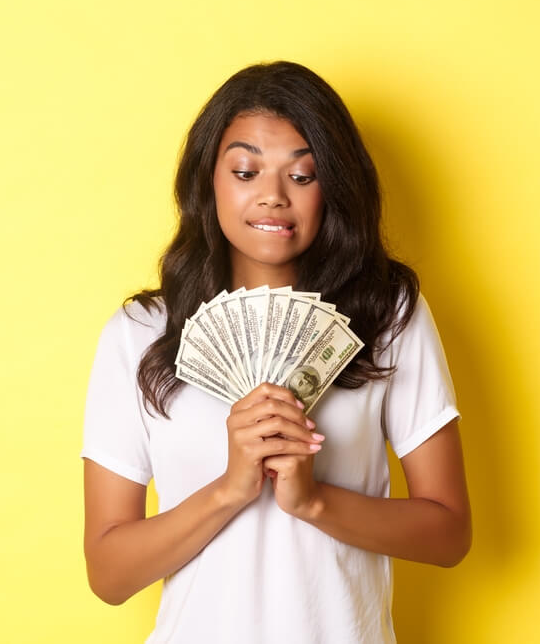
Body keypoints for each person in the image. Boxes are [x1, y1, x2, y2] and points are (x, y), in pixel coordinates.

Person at [80, 60, 471, 644]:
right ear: (208, 181)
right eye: (245, 170)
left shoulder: (389, 316)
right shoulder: (139, 332)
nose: (273, 197)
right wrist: (230, 488)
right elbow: (109, 574)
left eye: (304, 176)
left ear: (333, 187)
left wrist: (313, 501)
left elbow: (449, 534)